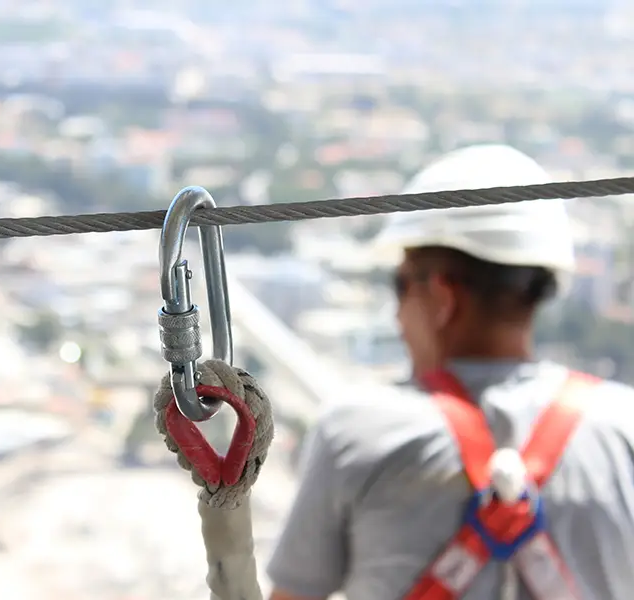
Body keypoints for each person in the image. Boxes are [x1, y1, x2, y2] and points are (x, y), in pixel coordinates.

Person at [266, 144, 634, 600]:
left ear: (442, 297)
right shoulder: (623, 429)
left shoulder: (357, 432)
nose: (397, 315)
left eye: (400, 286)